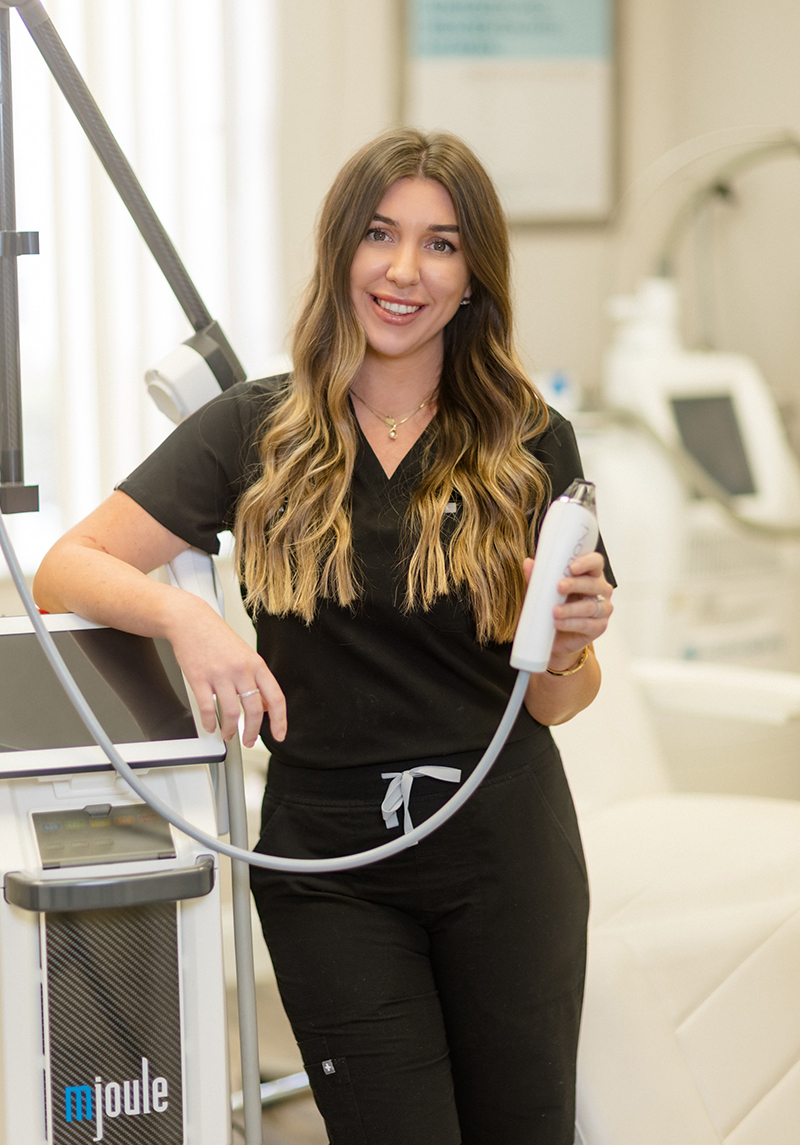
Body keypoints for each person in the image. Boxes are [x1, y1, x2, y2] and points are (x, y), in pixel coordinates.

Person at [34, 127, 614, 1145]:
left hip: (505, 853)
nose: (403, 270)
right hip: (331, 871)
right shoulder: (254, 431)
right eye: (380, 235)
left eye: (439, 244)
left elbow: (559, 698)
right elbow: (68, 563)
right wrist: (189, 616)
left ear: (472, 274)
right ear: (339, 250)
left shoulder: (528, 440)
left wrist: (565, 643)